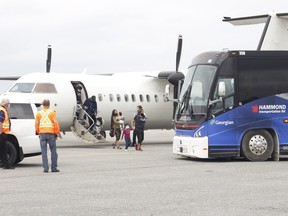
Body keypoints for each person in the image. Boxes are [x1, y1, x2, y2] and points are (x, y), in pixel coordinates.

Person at [35, 99, 60, 173]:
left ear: (42, 105)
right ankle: (54, 168)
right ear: (49, 105)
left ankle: (45, 168)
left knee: (44, 152)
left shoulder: (38, 113)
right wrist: (57, 133)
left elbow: (36, 124)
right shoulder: (52, 112)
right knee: (53, 151)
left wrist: (39, 132)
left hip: (42, 134)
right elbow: (56, 123)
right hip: (51, 134)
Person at [0, 98, 14, 169]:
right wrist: (1, 132)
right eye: (8, 104)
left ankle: (6, 165)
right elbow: (0, 121)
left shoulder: (3, 110)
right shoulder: (2, 111)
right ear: (5, 104)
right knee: (3, 149)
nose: (8, 106)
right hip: (2, 134)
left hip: (4, 133)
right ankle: (6, 165)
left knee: (3, 149)